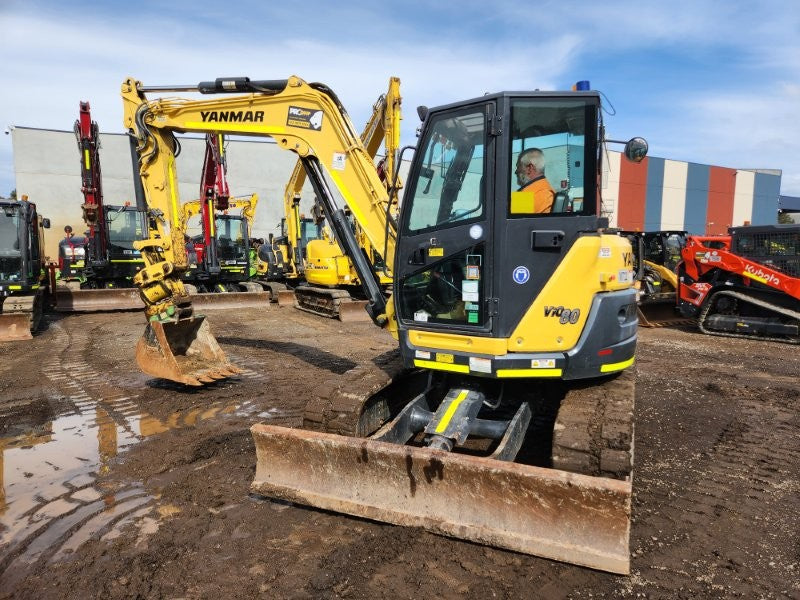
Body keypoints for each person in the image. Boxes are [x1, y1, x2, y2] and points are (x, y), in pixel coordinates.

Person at [513, 148, 554, 213]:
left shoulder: (530, 195)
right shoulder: (544, 190)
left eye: (518, 167)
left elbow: (508, 221)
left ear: (529, 168)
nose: (516, 172)